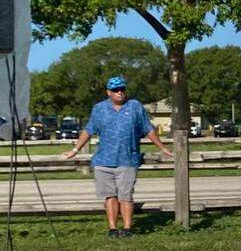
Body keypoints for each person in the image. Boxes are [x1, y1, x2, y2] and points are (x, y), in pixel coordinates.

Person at [61, 75, 173, 236]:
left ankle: (127, 228)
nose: (120, 92)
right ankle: (112, 228)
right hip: (103, 161)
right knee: (110, 196)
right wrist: (75, 150)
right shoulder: (99, 109)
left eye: (122, 89)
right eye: (115, 90)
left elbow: (148, 129)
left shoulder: (135, 106)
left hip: (127, 160)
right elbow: (88, 130)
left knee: (126, 196)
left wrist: (162, 148)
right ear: (108, 92)